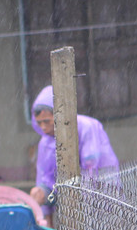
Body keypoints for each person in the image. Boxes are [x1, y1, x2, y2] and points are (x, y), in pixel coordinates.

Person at [27, 85, 120, 217]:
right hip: (69, 193)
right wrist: (42, 198)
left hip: (101, 188)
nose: (43, 127)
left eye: (47, 121)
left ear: (59, 114)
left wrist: (80, 201)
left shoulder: (87, 127)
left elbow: (91, 167)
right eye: (39, 122)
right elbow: (44, 176)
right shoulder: (45, 142)